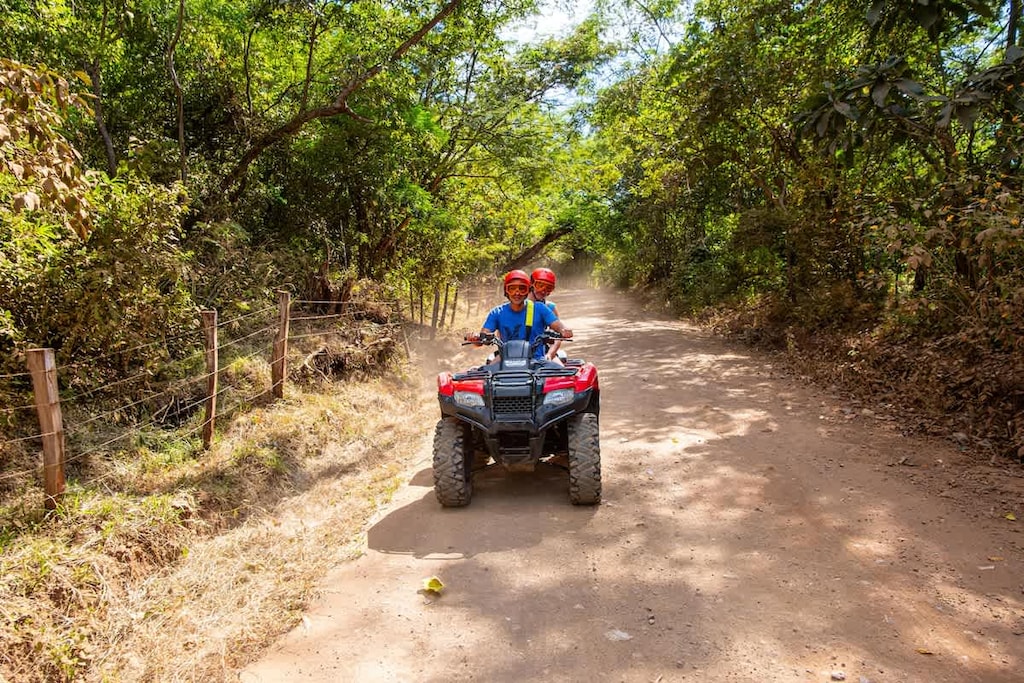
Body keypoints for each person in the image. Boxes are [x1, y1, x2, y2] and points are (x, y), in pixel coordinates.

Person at [467, 269, 572, 361]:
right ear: (506, 291)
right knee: (485, 378)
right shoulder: (497, 312)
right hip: (506, 360)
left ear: (527, 290)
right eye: (512, 289)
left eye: (522, 289)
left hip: (538, 361)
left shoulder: (541, 308)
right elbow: (482, 338)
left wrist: (564, 330)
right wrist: (475, 338)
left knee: (564, 378)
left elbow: (558, 326)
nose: (517, 293)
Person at [529, 267, 564, 362]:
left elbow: (558, 336)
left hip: (542, 352)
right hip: (511, 353)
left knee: (562, 373)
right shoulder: (515, 306)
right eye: (540, 285)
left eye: (548, 288)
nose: (543, 290)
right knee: (488, 371)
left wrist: (550, 354)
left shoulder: (550, 307)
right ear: (531, 284)